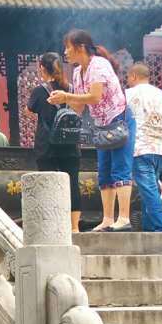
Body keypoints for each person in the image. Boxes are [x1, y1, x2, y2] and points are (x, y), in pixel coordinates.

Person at [50, 29, 135, 232]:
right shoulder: (78, 72)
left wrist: (65, 96)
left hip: (118, 118)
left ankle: (123, 218)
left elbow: (94, 97)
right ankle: (107, 219)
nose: (65, 52)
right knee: (104, 172)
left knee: (120, 168)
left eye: (68, 47)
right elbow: (79, 107)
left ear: (80, 48)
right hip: (101, 123)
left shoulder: (98, 65)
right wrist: (61, 109)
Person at [26, 52, 81, 233]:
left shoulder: (39, 91)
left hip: (47, 145)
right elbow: (80, 110)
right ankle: (74, 228)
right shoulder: (71, 90)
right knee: (72, 183)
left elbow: (29, 111)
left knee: (48, 183)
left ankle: (52, 226)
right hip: (70, 144)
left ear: (42, 68)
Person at [124, 63, 162, 232]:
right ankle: (150, 230)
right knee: (147, 190)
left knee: (149, 190)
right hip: (161, 148)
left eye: (128, 78)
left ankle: (161, 226)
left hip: (141, 147)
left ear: (134, 76)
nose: (128, 81)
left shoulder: (129, 94)